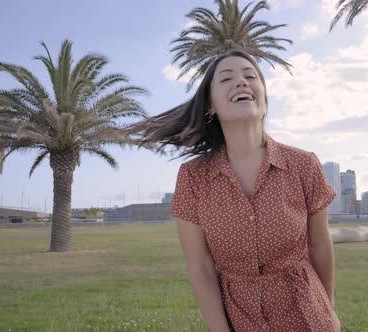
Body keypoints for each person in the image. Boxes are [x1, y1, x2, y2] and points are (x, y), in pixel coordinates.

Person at [132, 50, 340, 331]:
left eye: (250, 76)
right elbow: (201, 268)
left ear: (264, 99)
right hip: (238, 320)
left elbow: (319, 245)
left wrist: (327, 310)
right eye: (226, 78)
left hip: (308, 317)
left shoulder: (304, 165)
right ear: (211, 105)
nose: (241, 82)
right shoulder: (193, 177)